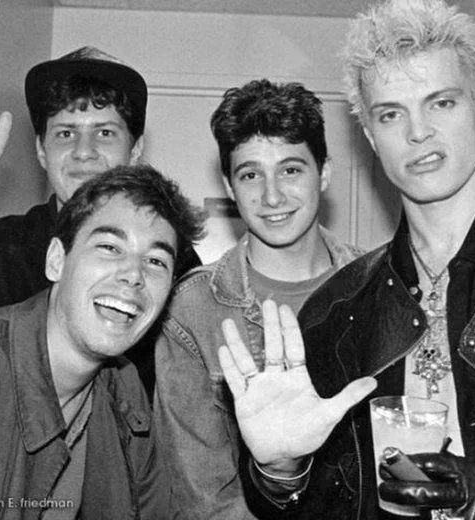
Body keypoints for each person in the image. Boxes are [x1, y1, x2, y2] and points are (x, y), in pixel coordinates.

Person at [216, 1, 475, 519]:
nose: (418, 132)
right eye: (391, 113)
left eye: (441, 103)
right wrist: (282, 472)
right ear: (370, 136)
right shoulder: (336, 308)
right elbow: (317, 506)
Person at [0, 164, 206, 519]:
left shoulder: (125, 391)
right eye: (110, 247)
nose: (134, 275)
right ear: (56, 261)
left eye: (156, 261)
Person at [153, 79, 363, 518]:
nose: (271, 196)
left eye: (290, 170)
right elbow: (205, 502)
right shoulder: (191, 311)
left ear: (323, 173)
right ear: (230, 186)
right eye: (251, 174)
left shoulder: (382, 284)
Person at [0, 46, 201, 330]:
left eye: (104, 133)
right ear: (40, 150)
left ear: (135, 150)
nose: (83, 151)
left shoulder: (172, 260)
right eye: (66, 133)